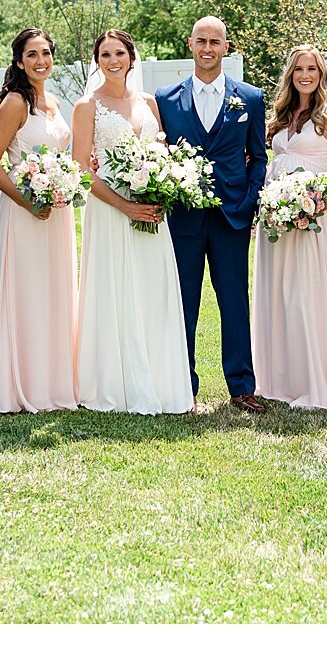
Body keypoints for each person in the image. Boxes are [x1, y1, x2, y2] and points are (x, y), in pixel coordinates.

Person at [74, 29, 194, 415]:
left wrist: (159, 188)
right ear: (97, 61)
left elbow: (161, 152)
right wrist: (124, 206)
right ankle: (115, 382)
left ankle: (160, 380)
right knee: (113, 289)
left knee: (151, 289)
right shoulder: (86, 106)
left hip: (150, 209)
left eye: (120, 53)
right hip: (110, 210)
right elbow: (80, 169)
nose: (113, 60)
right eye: (105, 54)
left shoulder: (147, 102)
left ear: (131, 57)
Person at [154, 16, 268, 413]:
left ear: (226, 46)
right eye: (201, 41)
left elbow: (258, 157)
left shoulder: (250, 98)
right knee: (182, 303)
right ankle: (183, 384)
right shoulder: (165, 98)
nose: (207, 48)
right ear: (190, 44)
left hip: (231, 217)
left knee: (235, 302)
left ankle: (242, 386)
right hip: (183, 217)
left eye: (214, 42)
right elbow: (158, 154)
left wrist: (249, 200)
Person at [250, 45, 327, 411]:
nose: (305, 75)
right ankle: (281, 380)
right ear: (291, 74)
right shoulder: (280, 115)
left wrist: (318, 206)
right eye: (299, 69)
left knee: (308, 294)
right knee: (280, 293)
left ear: (321, 73)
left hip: (314, 219)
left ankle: (317, 381)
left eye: (312, 68)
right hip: (278, 221)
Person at [0, 28, 79, 414]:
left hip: (55, 212)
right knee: (28, 294)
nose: (41, 61)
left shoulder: (52, 102)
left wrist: (64, 184)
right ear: (19, 61)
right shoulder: (16, 103)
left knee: (53, 293)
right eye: (32, 55)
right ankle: (21, 384)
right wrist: (25, 200)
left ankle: (53, 382)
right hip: (23, 213)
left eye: (46, 53)